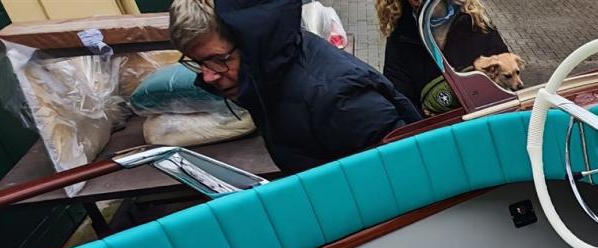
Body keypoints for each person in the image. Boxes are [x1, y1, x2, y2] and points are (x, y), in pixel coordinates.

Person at [169, 0, 421, 173]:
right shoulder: (268, 76)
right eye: (198, 63)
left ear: (256, 44)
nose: (208, 76)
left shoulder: (338, 97)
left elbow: (405, 173)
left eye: (218, 60)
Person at [377, 0, 518, 113]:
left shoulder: (475, 21)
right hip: (437, 132)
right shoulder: (400, 37)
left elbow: (507, 82)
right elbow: (401, 102)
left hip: (486, 120)